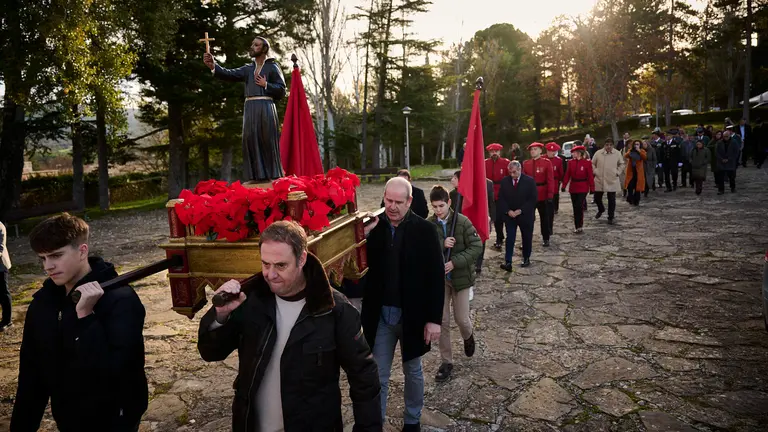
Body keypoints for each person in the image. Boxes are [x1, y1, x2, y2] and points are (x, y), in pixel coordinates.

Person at [198, 221, 381, 432]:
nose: (270, 274)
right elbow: (210, 352)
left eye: (281, 265)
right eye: (265, 264)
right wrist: (220, 316)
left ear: (301, 258)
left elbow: (364, 377)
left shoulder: (334, 310)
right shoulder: (250, 301)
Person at [11, 213, 148, 432]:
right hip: (67, 417)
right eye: (43, 258)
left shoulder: (120, 299)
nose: (48, 266)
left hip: (115, 419)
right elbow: (32, 373)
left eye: (56, 256)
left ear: (82, 250)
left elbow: (115, 373)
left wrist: (85, 317)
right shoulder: (42, 305)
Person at [362, 177, 444, 432]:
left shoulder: (426, 230)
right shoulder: (372, 228)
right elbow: (357, 270)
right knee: (378, 375)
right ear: (383, 197)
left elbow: (436, 277)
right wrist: (362, 237)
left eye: (399, 201)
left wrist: (434, 320)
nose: (393, 206)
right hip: (381, 315)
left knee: (414, 372)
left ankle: (412, 421)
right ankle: (377, 423)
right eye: (388, 200)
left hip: (414, 316)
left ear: (409, 201)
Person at [204, 36, 286, 181]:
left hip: (266, 107)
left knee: (266, 139)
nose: (252, 47)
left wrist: (266, 85)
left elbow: (281, 90)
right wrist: (213, 66)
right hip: (250, 108)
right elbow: (229, 74)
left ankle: (273, 176)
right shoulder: (248, 69)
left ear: (264, 49)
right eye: (252, 44)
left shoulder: (272, 67)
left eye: (256, 45)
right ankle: (256, 176)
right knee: (250, 139)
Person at [427, 186, 482, 383]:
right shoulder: (430, 224)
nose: (438, 210)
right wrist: (442, 245)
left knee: (461, 319)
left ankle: (468, 336)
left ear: (449, 202)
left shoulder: (462, 221)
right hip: (440, 280)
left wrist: (454, 261)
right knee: (442, 321)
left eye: (441, 206)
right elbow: (424, 250)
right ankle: (446, 361)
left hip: (460, 278)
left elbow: (477, 246)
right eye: (434, 207)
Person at [498, 161, 537, 270]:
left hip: (525, 215)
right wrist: (507, 211)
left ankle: (526, 258)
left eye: (514, 172)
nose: (512, 175)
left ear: (520, 170)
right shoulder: (505, 181)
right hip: (510, 216)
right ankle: (508, 261)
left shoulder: (529, 181)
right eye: (510, 172)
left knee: (526, 237)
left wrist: (520, 210)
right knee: (510, 238)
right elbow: (501, 198)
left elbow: (532, 199)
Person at [522, 142, 556, 247]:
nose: (533, 151)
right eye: (531, 149)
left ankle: (546, 238)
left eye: (535, 149)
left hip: (543, 194)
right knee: (527, 219)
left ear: (541, 151)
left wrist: (550, 194)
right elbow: (523, 180)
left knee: (544, 218)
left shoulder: (546, 163)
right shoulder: (526, 163)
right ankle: (527, 239)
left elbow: (550, 180)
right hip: (530, 195)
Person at [561, 146, 594, 233]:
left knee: (579, 205)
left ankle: (580, 225)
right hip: (573, 187)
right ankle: (577, 225)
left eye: (574, 152)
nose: (572, 154)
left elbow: (590, 176)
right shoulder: (571, 162)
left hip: (583, 186)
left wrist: (592, 187)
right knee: (575, 207)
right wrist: (564, 185)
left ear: (579, 152)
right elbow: (567, 174)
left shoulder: (587, 162)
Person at [591, 138, 625, 224]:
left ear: (613, 145)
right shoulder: (598, 153)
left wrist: (617, 172)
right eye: (607, 145)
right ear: (604, 145)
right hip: (600, 178)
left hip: (612, 178)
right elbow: (592, 163)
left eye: (610, 145)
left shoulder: (617, 153)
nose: (608, 147)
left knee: (612, 199)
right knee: (597, 197)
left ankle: (611, 216)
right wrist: (595, 171)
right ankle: (601, 209)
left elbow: (621, 164)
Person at [485, 143, 511, 250]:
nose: (494, 153)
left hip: (502, 193)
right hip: (490, 193)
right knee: (495, 218)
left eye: (496, 151)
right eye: (492, 151)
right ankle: (499, 237)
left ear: (500, 152)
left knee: (503, 216)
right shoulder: (485, 163)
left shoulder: (506, 163)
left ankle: (504, 237)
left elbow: (510, 178)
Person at [715, 129, 740, 194]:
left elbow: (736, 152)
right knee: (721, 177)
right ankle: (721, 190)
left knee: (731, 177)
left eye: (727, 136)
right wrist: (721, 159)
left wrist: (729, 159)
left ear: (729, 136)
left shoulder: (734, 142)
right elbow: (716, 152)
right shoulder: (719, 142)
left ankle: (733, 188)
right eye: (724, 136)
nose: (725, 138)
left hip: (730, 163)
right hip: (721, 162)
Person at [623, 140, 647, 206]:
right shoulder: (631, 150)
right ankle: (630, 198)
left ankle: (636, 200)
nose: (636, 145)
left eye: (638, 144)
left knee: (637, 187)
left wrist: (639, 151)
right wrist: (631, 151)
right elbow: (626, 156)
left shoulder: (642, 151)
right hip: (631, 170)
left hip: (638, 171)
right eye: (635, 144)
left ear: (640, 145)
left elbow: (645, 157)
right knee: (630, 186)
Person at [545, 142, 564, 217]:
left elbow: (561, 171)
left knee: (555, 193)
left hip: (555, 180)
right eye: (550, 151)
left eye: (554, 151)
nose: (552, 153)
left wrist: (560, 179)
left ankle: (555, 208)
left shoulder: (558, 160)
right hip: (546, 180)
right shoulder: (543, 158)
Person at [0, 221, 11, 331]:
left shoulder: (0, 226)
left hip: (1, 266)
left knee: (3, 293)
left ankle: (7, 321)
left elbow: (0, 247)